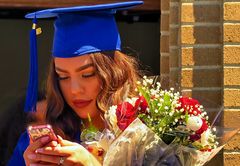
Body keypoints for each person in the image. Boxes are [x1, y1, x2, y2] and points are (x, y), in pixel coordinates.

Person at [8, 1, 143, 166]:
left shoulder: (145, 132)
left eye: (87, 74)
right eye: (63, 77)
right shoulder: (38, 145)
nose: (74, 90)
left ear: (115, 72)